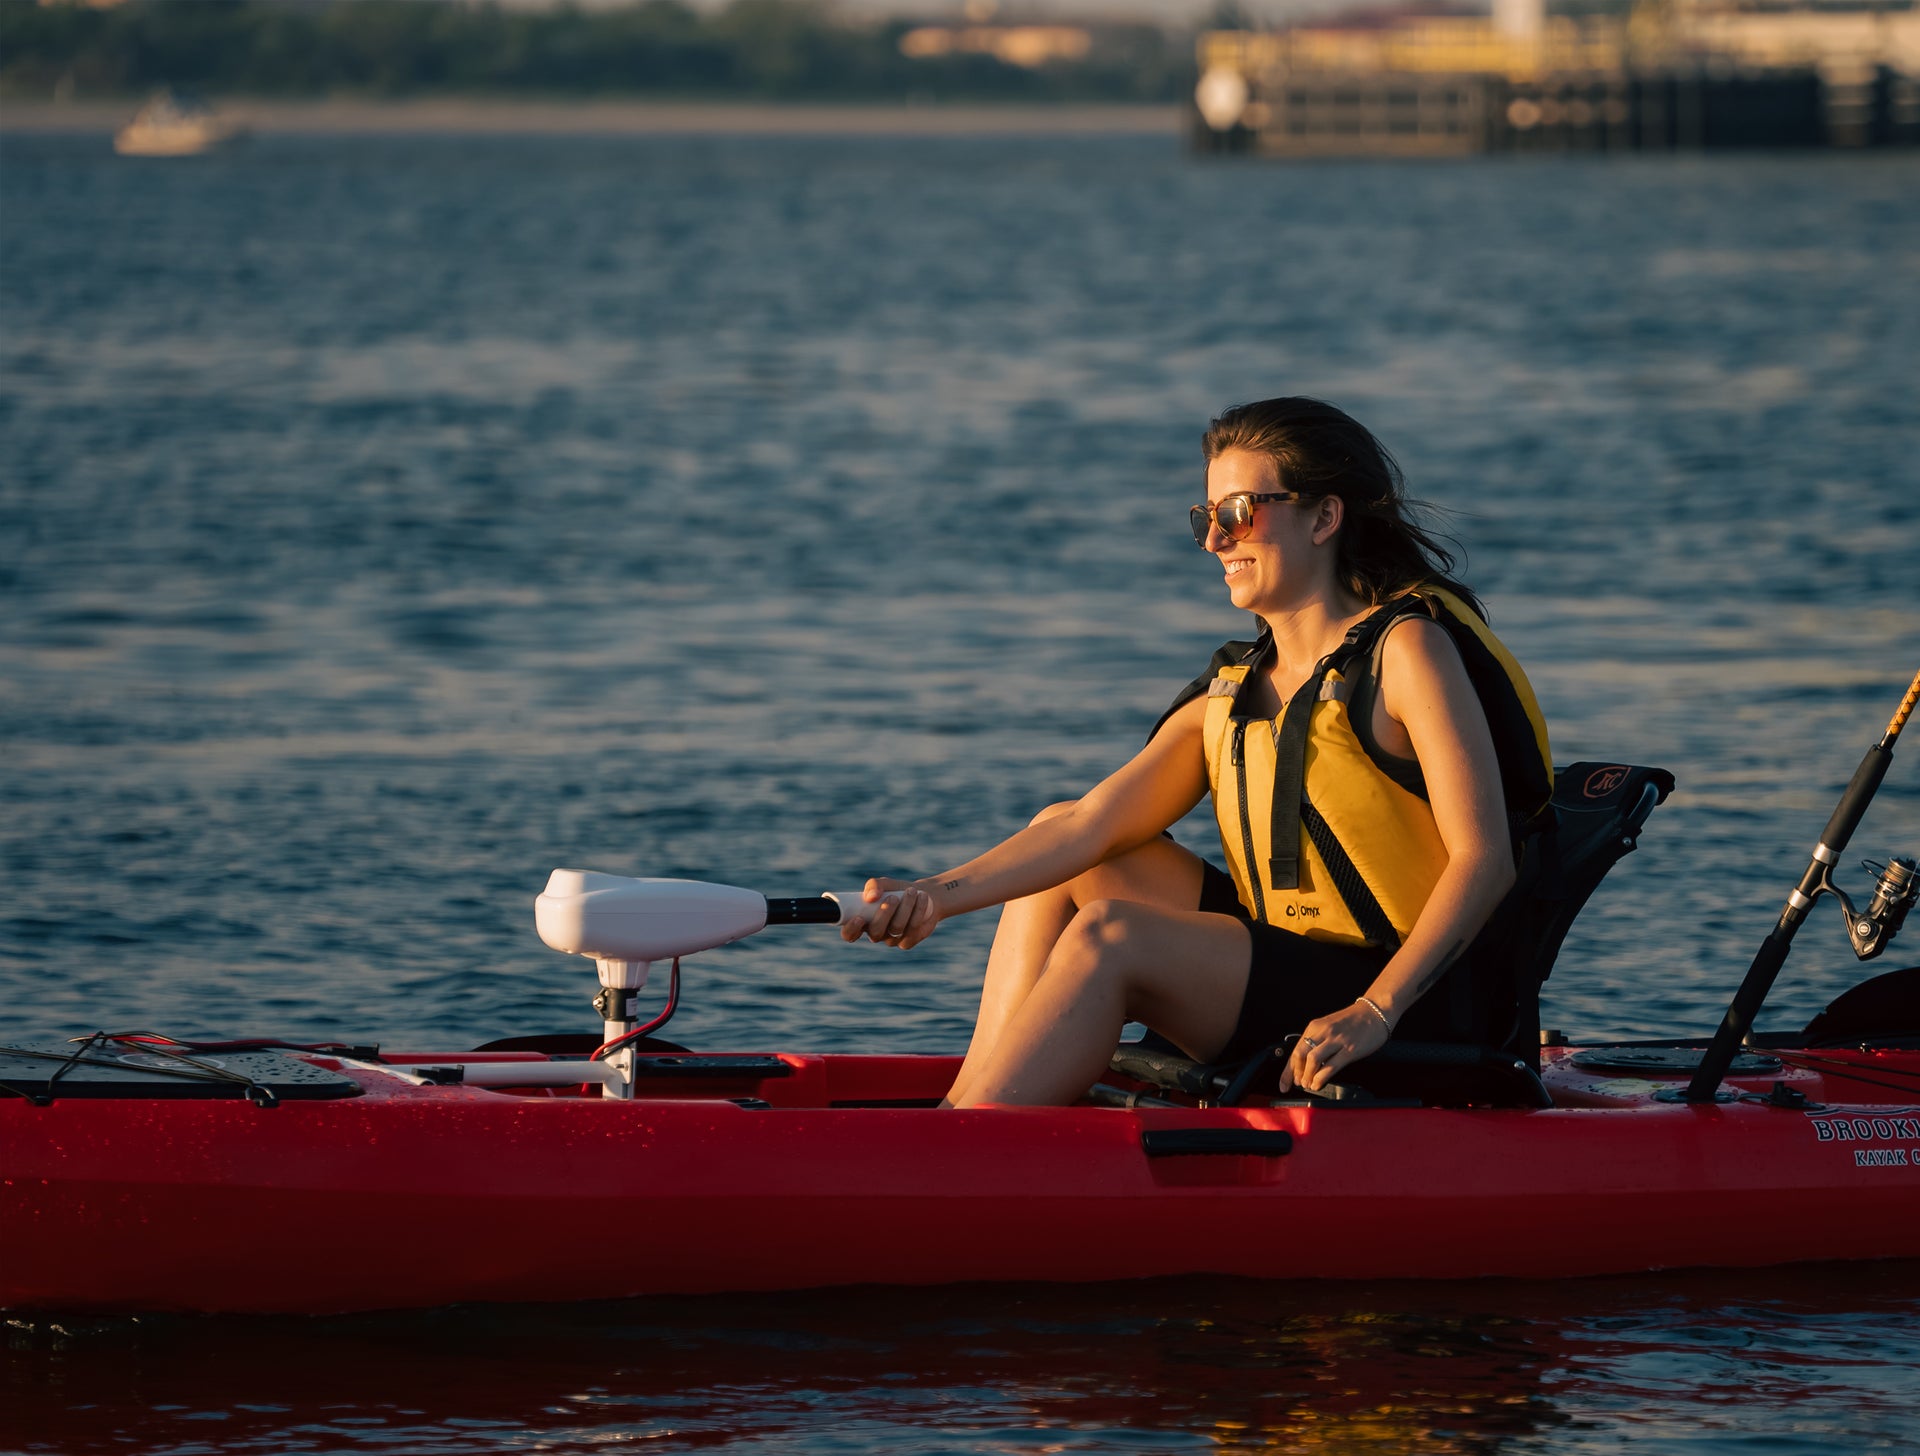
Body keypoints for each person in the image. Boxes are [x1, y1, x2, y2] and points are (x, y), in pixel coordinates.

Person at [842, 397, 1552, 1108]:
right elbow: (1087, 826)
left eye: (1239, 512)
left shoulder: (1408, 652)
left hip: (1411, 1007)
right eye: (1205, 516)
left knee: (1113, 935)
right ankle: (967, 1112)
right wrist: (930, 896)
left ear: (1324, 519)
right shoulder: (1236, 686)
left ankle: (974, 1140)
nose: (1214, 540)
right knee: (1067, 843)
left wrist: (1376, 1009)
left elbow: (1484, 860)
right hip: (1290, 974)